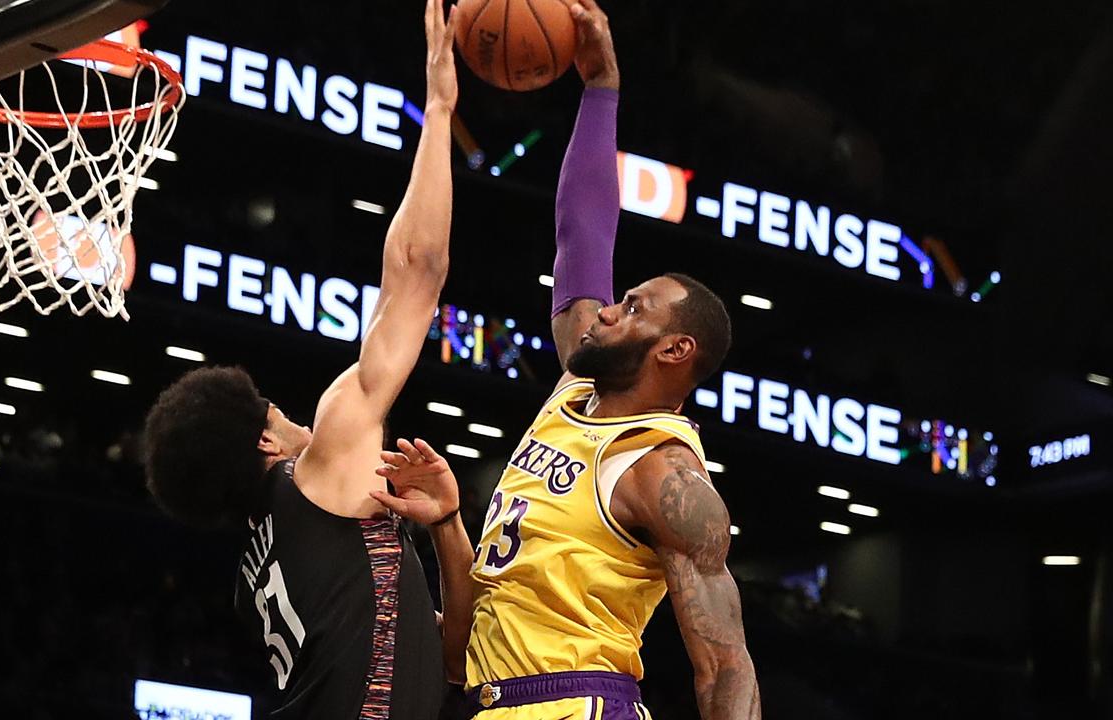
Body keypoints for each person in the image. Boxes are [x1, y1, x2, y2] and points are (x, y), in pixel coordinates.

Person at [371, 1, 761, 718]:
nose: (609, 308)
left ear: (676, 351)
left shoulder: (662, 471)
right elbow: (581, 233)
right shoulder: (575, 391)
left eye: (634, 307)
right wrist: (601, 89)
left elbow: (726, 668)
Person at [140, 2, 473, 717]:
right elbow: (417, 270)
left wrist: (446, 526)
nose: (300, 421)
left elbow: (452, 660)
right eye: (279, 413)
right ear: (266, 441)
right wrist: (440, 109)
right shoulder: (318, 473)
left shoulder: (258, 570)